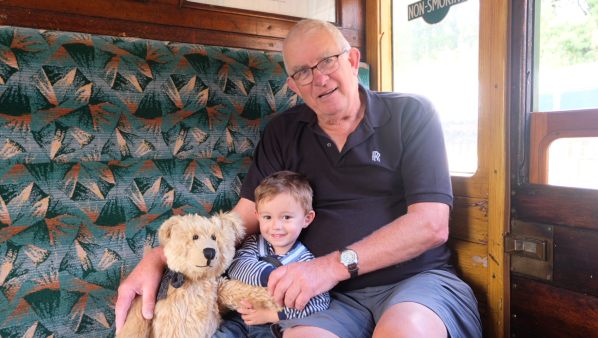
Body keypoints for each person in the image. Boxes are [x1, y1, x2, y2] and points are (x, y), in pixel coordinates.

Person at [116, 18, 482, 338]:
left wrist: (328, 268)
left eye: (327, 61)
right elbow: (244, 218)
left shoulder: (411, 114)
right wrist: (161, 256)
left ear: (352, 61)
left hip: (414, 282)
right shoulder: (284, 131)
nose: (319, 78)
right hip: (325, 299)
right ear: (294, 85)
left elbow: (431, 225)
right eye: (303, 72)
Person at [215, 170, 330, 337]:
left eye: (286, 217)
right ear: (257, 216)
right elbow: (236, 266)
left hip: (273, 324)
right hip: (240, 317)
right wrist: (274, 277)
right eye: (268, 217)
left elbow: (319, 304)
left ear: (307, 219)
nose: (276, 226)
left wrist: (272, 315)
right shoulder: (254, 243)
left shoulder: (305, 262)